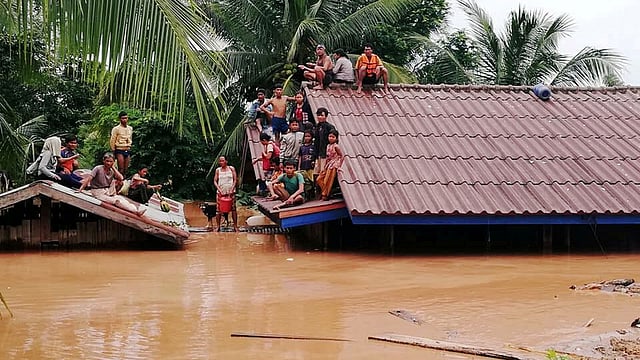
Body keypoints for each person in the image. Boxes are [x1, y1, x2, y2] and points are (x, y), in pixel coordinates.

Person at [78, 152, 146, 216]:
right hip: (98, 191)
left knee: (122, 199)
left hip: (107, 191)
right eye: (107, 161)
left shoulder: (112, 171)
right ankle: (136, 212)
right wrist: (81, 189)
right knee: (117, 201)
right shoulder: (98, 168)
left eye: (111, 161)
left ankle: (136, 210)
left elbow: (121, 178)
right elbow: (89, 179)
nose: (108, 163)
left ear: (113, 162)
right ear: (104, 161)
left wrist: (113, 168)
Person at [316, 129, 344, 201]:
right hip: (328, 164)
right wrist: (324, 166)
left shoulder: (336, 146)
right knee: (319, 179)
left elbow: (341, 156)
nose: (331, 138)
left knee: (328, 179)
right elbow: (327, 157)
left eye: (333, 137)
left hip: (334, 164)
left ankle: (325, 195)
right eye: (330, 136)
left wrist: (339, 165)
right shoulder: (328, 146)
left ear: (336, 138)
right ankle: (325, 192)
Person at [213, 156, 238, 232]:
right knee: (218, 210)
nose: (221, 162)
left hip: (231, 193)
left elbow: (235, 180)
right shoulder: (218, 170)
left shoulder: (231, 169)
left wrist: (232, 189)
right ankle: (218, 226)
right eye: (220, 161)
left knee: (233, 209)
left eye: (222, 161)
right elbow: (215, 181)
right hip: (221, 193)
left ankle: (235, 226)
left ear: (226, 161)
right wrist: (219, 189)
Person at [312, 107, 336, 178]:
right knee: (316, 172)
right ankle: (316, 188)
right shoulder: (317, 126)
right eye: (318, 115)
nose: (319, 117)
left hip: (326, 154)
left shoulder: (330, 127)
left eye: (322, 115)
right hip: (318, 153)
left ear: (326, 116)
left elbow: (334, 140)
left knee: (323, 172)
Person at [110, 111, 133, 176]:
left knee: (126, 169)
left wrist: (129, 146)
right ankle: (118, 181)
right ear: (120, 119)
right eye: (123, 118)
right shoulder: (116, 129)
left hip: (127, 148)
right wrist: (113, 150)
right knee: (121, 168)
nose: (125, 120)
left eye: (126, 118)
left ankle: (123, 181)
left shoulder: (130, 128)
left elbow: (130, 138)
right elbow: (113, 139)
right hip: (119, 149)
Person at [298, 130, 316, 198]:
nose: (307, 138)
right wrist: (299, 167)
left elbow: (315, 157)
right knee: (305, 181)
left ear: (311, 137)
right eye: (306, 136)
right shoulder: (302, 147)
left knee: (311, 180)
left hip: (310, 167)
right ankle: (307, 194)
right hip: (303, 167)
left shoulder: (313, 147)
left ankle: (312, 193)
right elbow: (300, 157)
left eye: (309, 136)